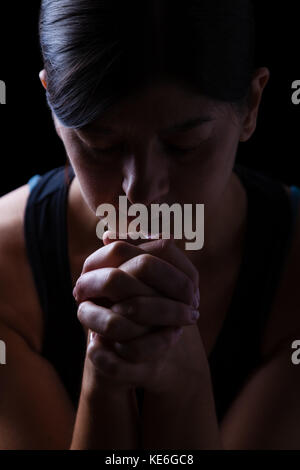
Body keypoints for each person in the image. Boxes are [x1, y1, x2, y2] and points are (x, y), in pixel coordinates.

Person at [0, 0, 300, 450]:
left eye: (184, 146)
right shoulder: (6, 267)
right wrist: (102, 381)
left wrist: (182, 382)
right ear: (52, 105)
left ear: (251, 106)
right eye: (100, 144)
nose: (140, 195)